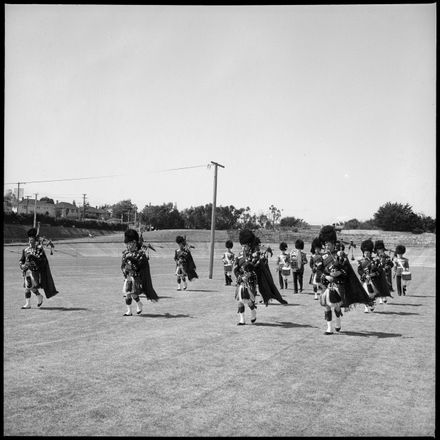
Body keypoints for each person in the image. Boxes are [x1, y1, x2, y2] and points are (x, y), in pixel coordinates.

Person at [318, 225, 373, 335]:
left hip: (338, 284)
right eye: (325, 244)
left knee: (337, 306)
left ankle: (338, 323)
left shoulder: (340, 255)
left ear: (333, 243)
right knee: (326, 306)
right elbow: (319, 270)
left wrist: (338, 273)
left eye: (328, 244)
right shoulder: (322, 256)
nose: (326, 246)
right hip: (327, 284)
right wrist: (326, 276)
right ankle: (329, 328)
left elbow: (346, 270)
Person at [237, 229, 288, 308]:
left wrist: (255, 259)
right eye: (243, 245)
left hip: (258, 269)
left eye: (245, 245)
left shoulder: (255, 248)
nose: (244, 247)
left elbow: (259, 255)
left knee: (266, 284)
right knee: (250, 287)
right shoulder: (245, 250)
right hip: (249, 271)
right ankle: (253, 300)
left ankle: (268, 298)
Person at [121, 229, 158, 316]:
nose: (128, 245)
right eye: (127, 243)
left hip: (136, 277)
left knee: (133, 294)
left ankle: (139, 304)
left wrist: (134, 263)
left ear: (134, 242)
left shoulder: (140, 254)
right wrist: (125, 270)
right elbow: (122, 265)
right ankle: (129, 311)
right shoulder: (125, 253)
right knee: (127, 294)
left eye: (130, 243)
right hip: (128, 277)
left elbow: (141, 266)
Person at [19, 227, 58, 309]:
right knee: (28, 287)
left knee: (29, 286)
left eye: (32, 240)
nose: (30, 242)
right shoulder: (25, 250)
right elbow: (21, 260)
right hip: (27, 271)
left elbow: (41, 261)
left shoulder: (39, 250)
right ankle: (29, 303)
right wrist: (22, 266)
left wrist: (32, 256)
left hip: (36, 272)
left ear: (35, 241)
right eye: (29, 240)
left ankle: (38, 297)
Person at [357, 239, 392, 312]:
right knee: (365, 293)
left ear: (370, 253)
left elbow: (379, 270)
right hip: (365, 280)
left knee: (372, 294)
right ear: (363, 253)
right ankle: (366, 307)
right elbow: (359, 270)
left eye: (368, 253)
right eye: (365, 253)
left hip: (373, 280)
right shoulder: (360, 261)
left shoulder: (375, 260)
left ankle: (372, 303)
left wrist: (373, 274)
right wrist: (364, 275)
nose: (366, 254)